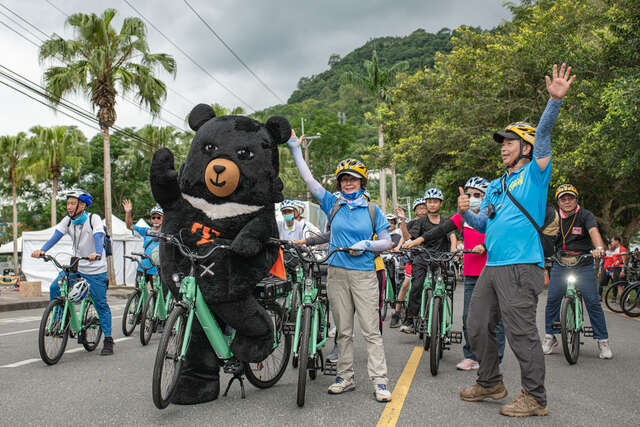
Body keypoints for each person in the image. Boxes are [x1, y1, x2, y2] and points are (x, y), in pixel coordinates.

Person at [457, 64, 575, 417]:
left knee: (521, 333)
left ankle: (535, 398)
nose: (503, 147)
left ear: (525, 147)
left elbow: (543, 136)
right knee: (476, 325)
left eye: (509, 142)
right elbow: (484, 220)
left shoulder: (536, 173)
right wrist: (465, 212)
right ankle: (491, 381)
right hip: (492, 266)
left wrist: (553, 102)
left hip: (521, 265)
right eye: (503, 143)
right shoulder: (496, 184)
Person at [287, 130, 393, 402]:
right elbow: (309, 181)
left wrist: (366, 245)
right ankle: (345, 377)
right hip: (336, 272)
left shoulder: (373, 210)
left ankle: (380, 382)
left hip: (365, 275)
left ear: (362, 182)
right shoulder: (333, 204)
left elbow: (387, 242)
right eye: (344, 179)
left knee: (371, 331)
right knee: (343, 331)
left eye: (353, 179)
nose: (348, 183)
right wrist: (295, 149)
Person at [405, 176, 506, 371]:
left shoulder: (495, 214)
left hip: (493, 272)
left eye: (477, 195)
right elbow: (441, 229)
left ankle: (495, 359)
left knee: (494, 319)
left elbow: (502, 236)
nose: (472, 198)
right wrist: (418, 241)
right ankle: (471, 355)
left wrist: (485, 245)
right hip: (470, 273)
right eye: (469, 194)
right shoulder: (463, 216)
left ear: (487, 196)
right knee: (469, 317)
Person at [31, 189, 114, 356]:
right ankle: (58, 322)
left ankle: (108, 339)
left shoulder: (93, 219)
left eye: (72, 203)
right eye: (68, 203)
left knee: (100, 303)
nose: (69, 207)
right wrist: (42, 250)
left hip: (95, 268)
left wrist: (97, 252)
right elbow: (55, 236)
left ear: (82, 205)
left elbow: (99, 235)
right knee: (56, 287)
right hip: (77, 265)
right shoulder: (68, 221)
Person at [542, 184, 611, 359]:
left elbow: (594, 231)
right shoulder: (554, 217)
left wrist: (599, 248)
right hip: (560, 262)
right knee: (552, 299)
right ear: (558, 201)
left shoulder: (585, 215)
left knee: (592, 301)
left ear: (576, 200)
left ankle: (602, 341)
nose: (567, 201)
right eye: (563, 199)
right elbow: (544, 236)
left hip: (584, 263)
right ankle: (550, 336)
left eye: (570, 198)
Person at [399, 188, 457, 334]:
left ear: (440, 204)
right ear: (426, 203)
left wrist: (453, 251)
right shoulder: (421, 222)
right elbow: (410, 238)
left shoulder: (446, 222)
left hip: (440, 258)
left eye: (435, 201)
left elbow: (452, 237)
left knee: (445, 287)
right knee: (417, 285)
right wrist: (403, 222)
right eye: (429, 201)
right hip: (422, 257)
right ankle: (410, 319)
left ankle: (441, 316)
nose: (431, 204)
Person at [388, 198, 427, 328]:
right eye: (419, 207)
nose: (422, 209)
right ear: (415, 210)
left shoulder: (433, 221)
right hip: (414, 259)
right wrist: (399, 247)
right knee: (406, 284)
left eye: (424, 207)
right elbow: (405, 237)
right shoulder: (412, 223)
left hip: (430, 259)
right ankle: (397, 312)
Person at [123, 200, 162, 289]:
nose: (155, 220)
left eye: (158, 217)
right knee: (138, 293)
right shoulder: (146, 230)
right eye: (153, 217)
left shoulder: (165, 233)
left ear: (163, 219)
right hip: (142, 267)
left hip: (156, 269)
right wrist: (128, 213)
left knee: (156, 296)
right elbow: (129, 226)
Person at [609, 236, 628, 301]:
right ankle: (622, 300)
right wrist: (612, 271)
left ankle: (627, 298)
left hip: (620, 269)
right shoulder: (615, 250)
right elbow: (615, 261)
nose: (611, 242)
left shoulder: (622, 249)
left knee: (622, 285)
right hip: (615, 269)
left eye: (612, 241)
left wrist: (623, 270)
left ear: (617, 241)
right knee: (618, 285)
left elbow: (624, 261)